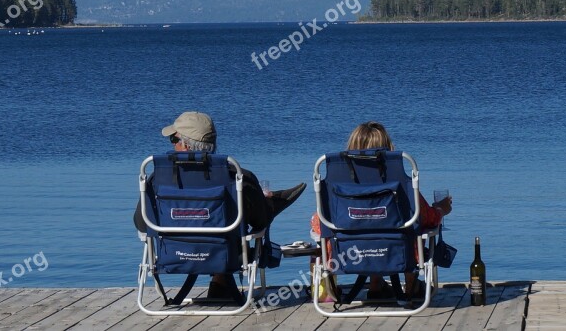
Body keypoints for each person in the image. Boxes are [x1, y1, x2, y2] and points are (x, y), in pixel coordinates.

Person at [134, 111, 306, 298]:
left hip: (174, 253)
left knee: (223, 219)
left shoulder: (158, 179)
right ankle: (270, 202)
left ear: (185, 144)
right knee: (242, 215)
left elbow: (142, 223)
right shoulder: (237, 178)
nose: (173, 145)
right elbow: (259, 224)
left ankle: (221, 283)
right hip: (224, 253)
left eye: (174, 140)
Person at [311, 121, 452, 300]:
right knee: (409, 227)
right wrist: (441, 209)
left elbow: (319, 222)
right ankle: (411, 287)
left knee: (363, 224)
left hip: (349, 254)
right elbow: (426, 217)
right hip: (398, 252)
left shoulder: (339, 178)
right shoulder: (397, 178)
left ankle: (375, 284)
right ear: (388, 148)